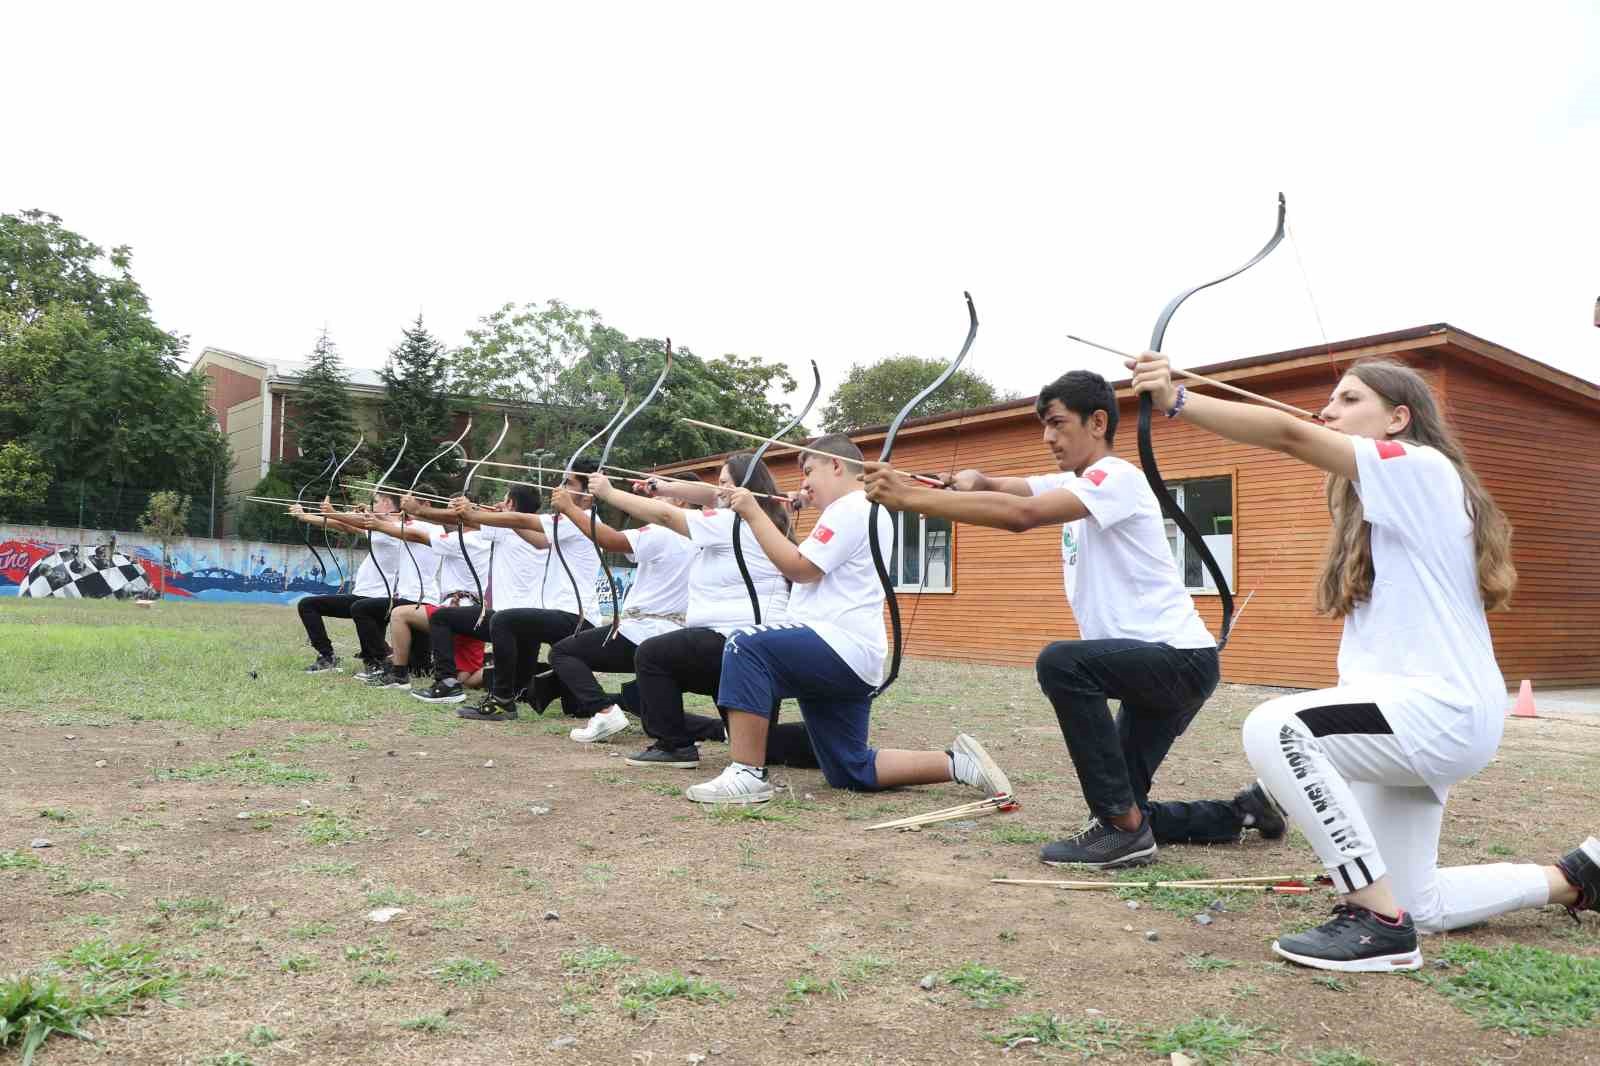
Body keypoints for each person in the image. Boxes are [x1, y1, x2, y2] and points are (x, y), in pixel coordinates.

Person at [1127, 351, 1599, 972]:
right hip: (1410, 720)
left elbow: (1292, 434)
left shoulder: (1425, 469)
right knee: (1417, 899)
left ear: (1399, 418)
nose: (1329, 410)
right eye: (1331, 401)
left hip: (1437, 711)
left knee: (1275, 725)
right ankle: (1575, 876)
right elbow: (1308, 436)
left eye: (1350, 399)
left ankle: (1374, 921)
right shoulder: (1383, 506)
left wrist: (1177, 400)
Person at [863, 369, 1278, 868]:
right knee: (1121, 798)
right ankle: (1242, 813)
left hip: (1175, 661)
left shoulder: (1116, 477)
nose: (1047, 437)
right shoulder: (1076, 481)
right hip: (1159, 664)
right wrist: (974, 480)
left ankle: (1124, 831)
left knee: (1063, 664)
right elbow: (1010, 491)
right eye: (1044, 425)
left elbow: (1024, 516)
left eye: (1058, 424)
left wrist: (909, 499)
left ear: (1098, 421)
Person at [691, 434, 1011, 806]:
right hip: (851, 655)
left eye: (809, 471)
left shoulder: (851, 506)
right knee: (849, 767)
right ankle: (957, 764)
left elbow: (799, 567)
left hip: (836, 644)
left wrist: (752, 511)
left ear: (837, 465)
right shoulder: (860, 508)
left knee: (744, 645)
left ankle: (746, 773)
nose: (804, 483)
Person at [587, 453, 804, 769]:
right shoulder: (766, 517)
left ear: (745, 489)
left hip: (735, 643)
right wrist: (661, 487)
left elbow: (665, 517)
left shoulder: (730, 521)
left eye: (726, 483)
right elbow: (710, 495)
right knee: (762, 746)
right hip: (752, 647)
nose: (719, 491)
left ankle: (674, 746)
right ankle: (821, 743)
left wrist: (609, 492)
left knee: (652, 655)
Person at [551, 474, 702, 744]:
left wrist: (570, 508)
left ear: (681, 499)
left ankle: (604, 711)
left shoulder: (663, 531)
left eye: (662, 491)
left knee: (563, 652)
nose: (652, 498)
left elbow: (610, 540)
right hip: (674, 637)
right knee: (652, 711)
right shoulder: (702, 534)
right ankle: (719, 730)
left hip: (643, 631)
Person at [287, 493, 434, 678]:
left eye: (376, 502)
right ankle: (362, 658)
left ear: (388, 503)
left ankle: (376, 660)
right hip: (369, 593)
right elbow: (346, 525)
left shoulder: (393, 529)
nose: (372, 505)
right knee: (311, 605)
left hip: (378, 595)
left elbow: (350, 524)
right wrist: (305, 516)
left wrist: (334, 513)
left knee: (313, 605)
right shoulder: (384, 527)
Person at [352, 504, 489, 692]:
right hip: (466, 611)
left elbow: (417, 535)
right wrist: (381, 518)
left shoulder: (463, 540)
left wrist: (380, 522)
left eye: (451, 511)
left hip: (459, 611)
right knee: (465, 680)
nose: (446, 515)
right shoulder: (480, 537)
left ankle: (399, 675)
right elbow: (429, 524)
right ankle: (503, 669)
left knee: (400, 614)